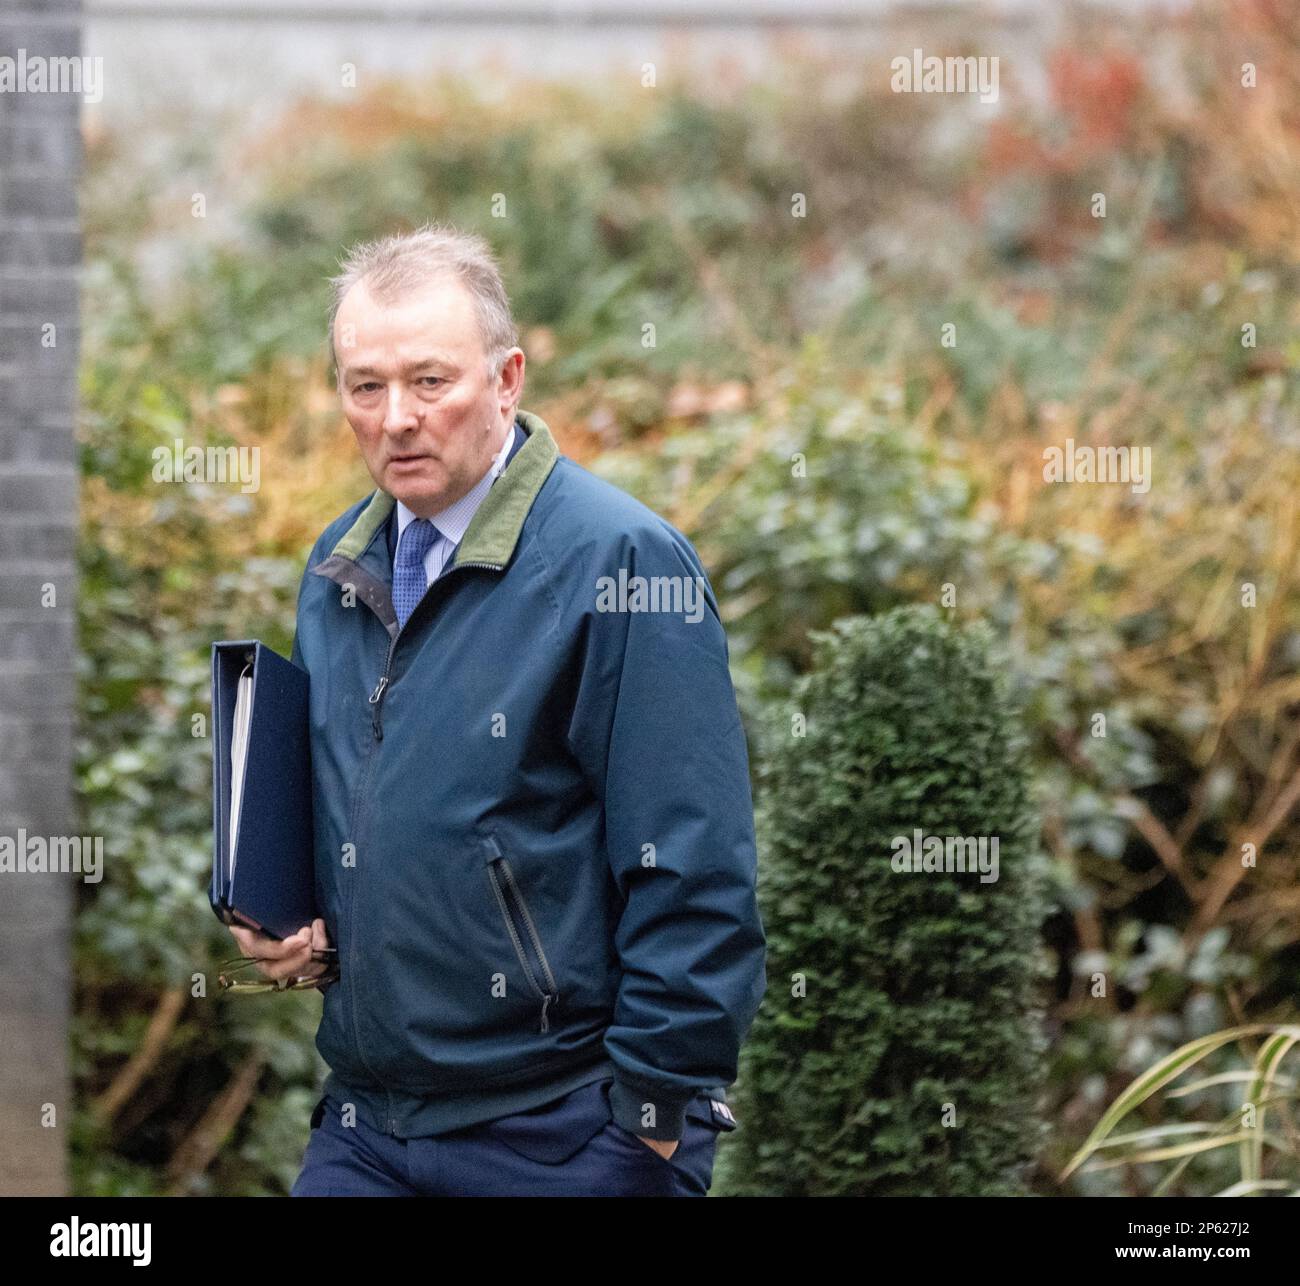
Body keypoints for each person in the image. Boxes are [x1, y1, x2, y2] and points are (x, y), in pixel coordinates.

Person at [227, 223, 767, 1196]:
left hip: (563, 1131)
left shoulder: (622, 562)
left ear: (507, 378)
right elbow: (365, 815)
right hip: (366, 1121)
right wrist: (289, 919)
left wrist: (646, 1127)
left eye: (431, 382)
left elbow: (693, 863)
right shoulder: (335, 571)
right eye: (365, 385)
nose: (396, 416)